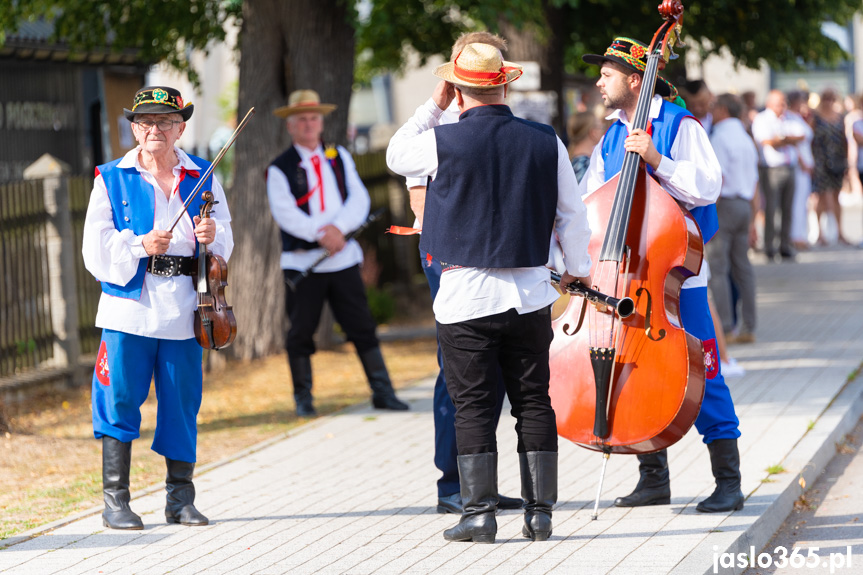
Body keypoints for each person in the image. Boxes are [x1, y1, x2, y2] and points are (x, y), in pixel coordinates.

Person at [387, 42, 593, 543]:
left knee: (473, 405)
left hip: (465, 295)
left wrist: (433, 106)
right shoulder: (546, 141)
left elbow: (397, 153)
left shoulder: (444, 139)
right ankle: (540, 512)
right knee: (534, 401)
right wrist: (576, 270)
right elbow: (572, 215)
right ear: (505, 84)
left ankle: (478, 514)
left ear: (458, 90)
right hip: (529, 291)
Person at [580, 37, 744, 513]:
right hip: (626, 280)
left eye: (606, 74)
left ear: (635, 79)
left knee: (703, 373)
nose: (598, 82)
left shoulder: (678, 123)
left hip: (677, 278)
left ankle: (728, 481)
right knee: (634, 373)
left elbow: (708, 185)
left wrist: (656, 159)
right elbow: (593, 204)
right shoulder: (610, 136)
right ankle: (653, 478)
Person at [82, 86, 231, 529]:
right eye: (145, 122)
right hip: (129, 307)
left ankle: (180, 499)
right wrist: (139, 243)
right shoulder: (111, 177)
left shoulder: (203, 174)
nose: (155, 130)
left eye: (165, 122)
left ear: (180, 128)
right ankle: (115, 502)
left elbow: (226, 235)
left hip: (187, 306)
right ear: (133, 129)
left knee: (182, 402)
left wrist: (211, 235)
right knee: (120, 399)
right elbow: (96, 249)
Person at [401, 31, 523, 516]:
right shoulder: (434, 128)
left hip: (497, 255)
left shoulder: (499, 121)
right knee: (458, 370)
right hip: (450, 257)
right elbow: (417, 198)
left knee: (494, 371)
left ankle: (481, 480)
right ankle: (451, 481)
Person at [266, 90, 409, 417]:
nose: (308, 124)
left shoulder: (338, 156)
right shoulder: (279, 168)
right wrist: (322, 234)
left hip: (343, 259)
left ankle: (382, 392)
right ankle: (304, 399)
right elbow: (285, 213)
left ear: (321, 122)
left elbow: (358, 199)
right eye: (301, 118)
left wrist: (338, 231)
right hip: (304, 263)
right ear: (290, 125)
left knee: (362, 326)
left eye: (313, 117)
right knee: (301, 332)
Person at [706, 93, 759, 345]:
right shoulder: (746, 138)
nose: (711, 111)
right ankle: (749, 325)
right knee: (743, 268)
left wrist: (708, 213)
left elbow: (718, 178)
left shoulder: (719, 136)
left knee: (718, 268)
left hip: (724, 204)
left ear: (723, 109)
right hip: (744, 204)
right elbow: (755, 181)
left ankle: (726, 328)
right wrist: (754, 218)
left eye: (714, 107)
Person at [752, 90, 804, 260]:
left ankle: (785, 245)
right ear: (769, 104)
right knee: (771, 209)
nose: (781, 107)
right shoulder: (762, 119)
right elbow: (766, 141)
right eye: (778, 103)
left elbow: (802, 135)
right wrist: (786, 139)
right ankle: (769, 246)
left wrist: (782, 139)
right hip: (771, 169)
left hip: (789, 167)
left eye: (783, 103)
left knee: (788, 209)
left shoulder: (791, 117)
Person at [811, 88, 849, 245]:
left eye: (831, 98)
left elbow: (844, 140)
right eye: (826, 98)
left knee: (836, 196)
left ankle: (839, 232)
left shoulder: (840, 117)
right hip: (820, 161)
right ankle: (820, 233)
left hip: (837, 160)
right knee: (821, 196)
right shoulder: (815, 118)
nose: (829, 101)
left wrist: (847, 162)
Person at [786, 90, 814, 251]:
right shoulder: (790, 118)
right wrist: (802, 161)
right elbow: (792, 142)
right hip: (798, 165)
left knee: (803, 202)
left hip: (805, 166)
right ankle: (795, 235)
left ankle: (800, 234)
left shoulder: (799, 118)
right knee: (797, 201)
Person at [567, 111, 604, 183]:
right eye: (601, 127)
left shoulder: (571, 159)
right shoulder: (583, 164)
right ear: (593, 132)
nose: (602, 131)